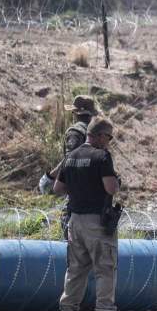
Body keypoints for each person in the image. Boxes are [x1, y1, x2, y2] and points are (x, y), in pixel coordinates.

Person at [53, 117, 120, 311]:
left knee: (76, 269)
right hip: (96, 221)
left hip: (75, 219)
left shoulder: (71, 156)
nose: (109, 142)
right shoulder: (102, 156)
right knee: (105, 267)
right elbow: (110, 188)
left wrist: (79, 187)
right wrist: (116, 180)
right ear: (100, 135)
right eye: (109, 137)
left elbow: (57, 188)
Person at [39, 95, 99, 238]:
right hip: (96, 194)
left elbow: (69, 159)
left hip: (76, 192)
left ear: (76, 113)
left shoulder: (75, 132)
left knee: (70, 234)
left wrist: (50, 177)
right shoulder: (97, 133)